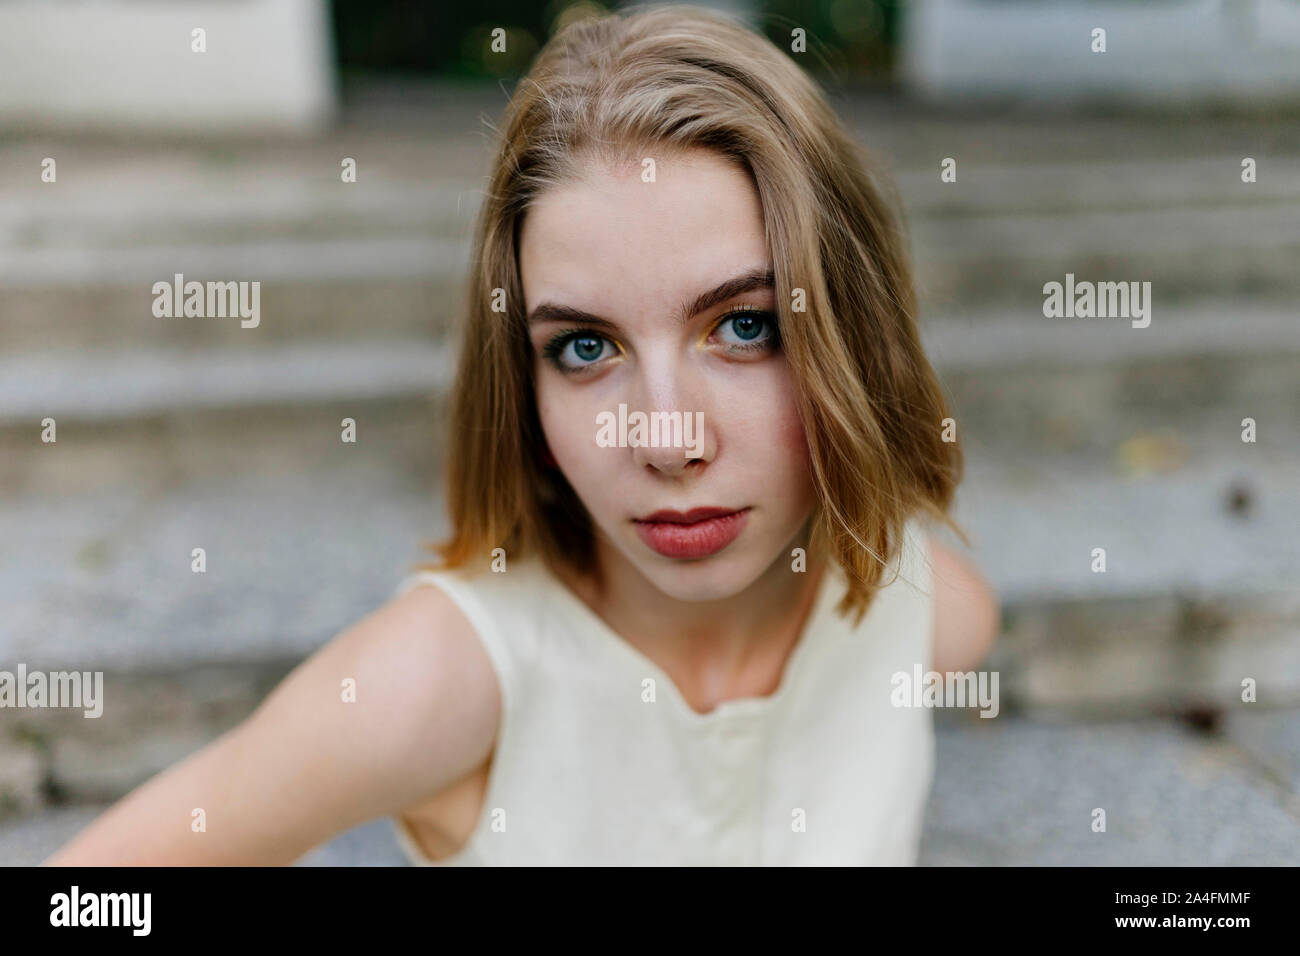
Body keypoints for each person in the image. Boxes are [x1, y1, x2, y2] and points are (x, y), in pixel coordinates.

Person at [44, 3, 999, 867]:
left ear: (855, 339)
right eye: (586, 346)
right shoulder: (436, 682)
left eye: (745, 326)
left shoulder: (933, 614)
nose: (666, 439)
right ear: (525, 391)